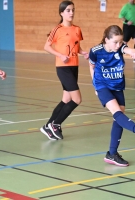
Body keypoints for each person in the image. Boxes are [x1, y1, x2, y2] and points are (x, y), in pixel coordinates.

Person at [89, 25, 135, 167]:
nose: (118, 45)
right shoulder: (96, 51)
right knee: (117, 112)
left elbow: (126, 48)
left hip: (118, 86)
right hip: (103, 86)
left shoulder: (120, 47)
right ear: (106, 40)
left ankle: (112, 153)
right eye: (115, 42)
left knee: (119, 118)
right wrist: (95, 86)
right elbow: (92, 66)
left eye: (120, 41)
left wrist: (132, 50)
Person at [40, 0, 89, 140]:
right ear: (61, 13)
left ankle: (47, 126)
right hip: (63, 68)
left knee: (66, 99)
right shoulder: (57, 29)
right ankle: (55, 124)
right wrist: (60, 55)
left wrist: (83, 52)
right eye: (68, 10)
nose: (71, 13)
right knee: (77, 99)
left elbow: (75, 46)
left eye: (73, 10)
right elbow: (47, 47)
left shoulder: (77, 29)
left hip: (74, 66)